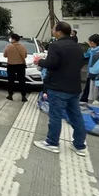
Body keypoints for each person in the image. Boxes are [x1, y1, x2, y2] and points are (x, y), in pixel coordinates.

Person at [34, 22, 87, 156]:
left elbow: (51, 64)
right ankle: (79, 145)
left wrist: (39, 61)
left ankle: (52, 143)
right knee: (76, 116)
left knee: (55, 117)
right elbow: (81, 63)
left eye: (53, 29)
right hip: (74, 87)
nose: (52, 31)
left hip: (58, 87)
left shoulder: (55, 45)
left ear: (58, 32)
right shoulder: (77, 46)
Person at [4, 33, 28, 102]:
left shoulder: (8, 46)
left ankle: (10, 95)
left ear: (13, 39)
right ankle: (23, 96)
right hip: (21, 65)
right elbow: (25, 55)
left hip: (11, 65)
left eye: (11, 38)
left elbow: (5, 55)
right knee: (22, 81)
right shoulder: (23, 47)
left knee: (11, 80)